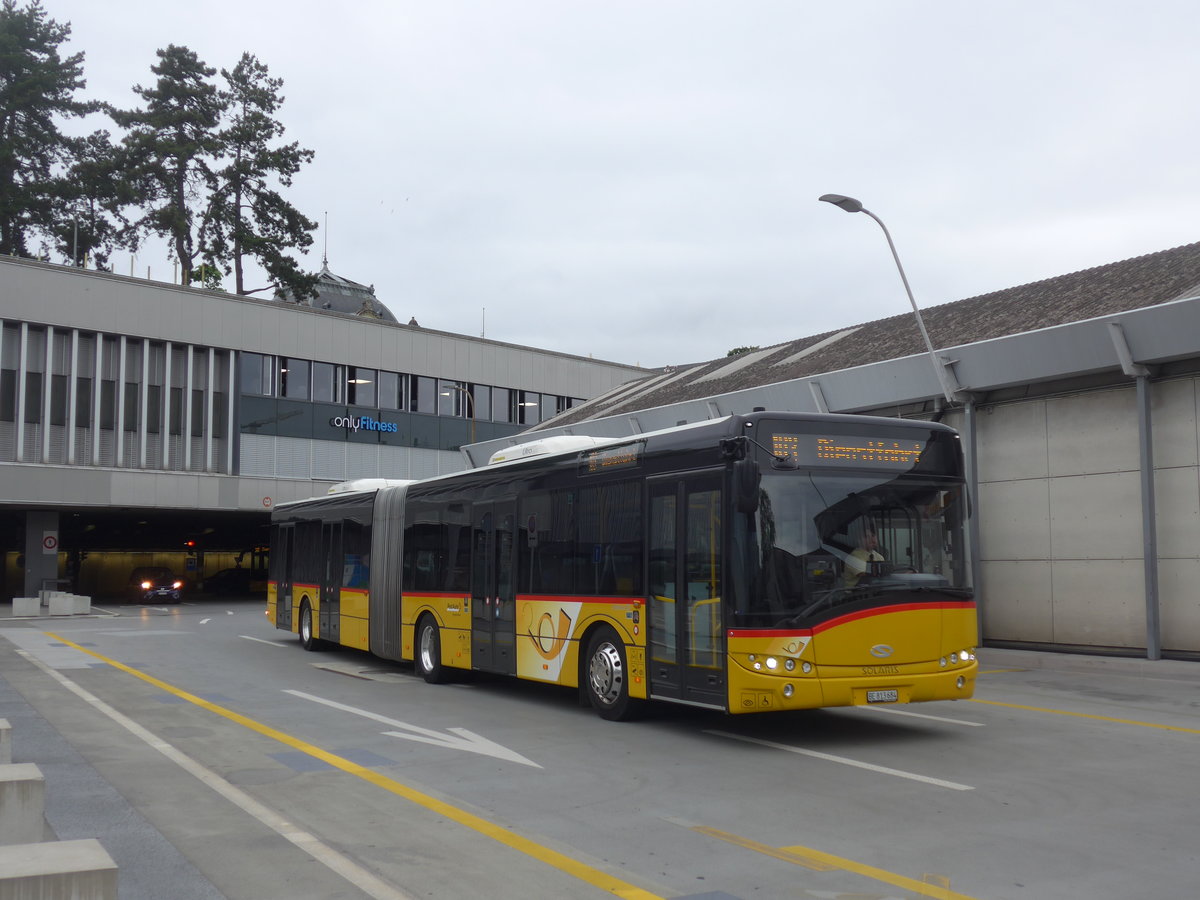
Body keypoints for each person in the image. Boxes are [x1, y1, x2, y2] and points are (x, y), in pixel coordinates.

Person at [844, 524, 884, 588]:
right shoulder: (853, 557)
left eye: (873, 536)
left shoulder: (879, 557)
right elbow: (866, 575)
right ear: (859, 540)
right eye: (866, 537)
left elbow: (883, 575)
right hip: (854, 595)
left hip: (874, 593)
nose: (872, 539)